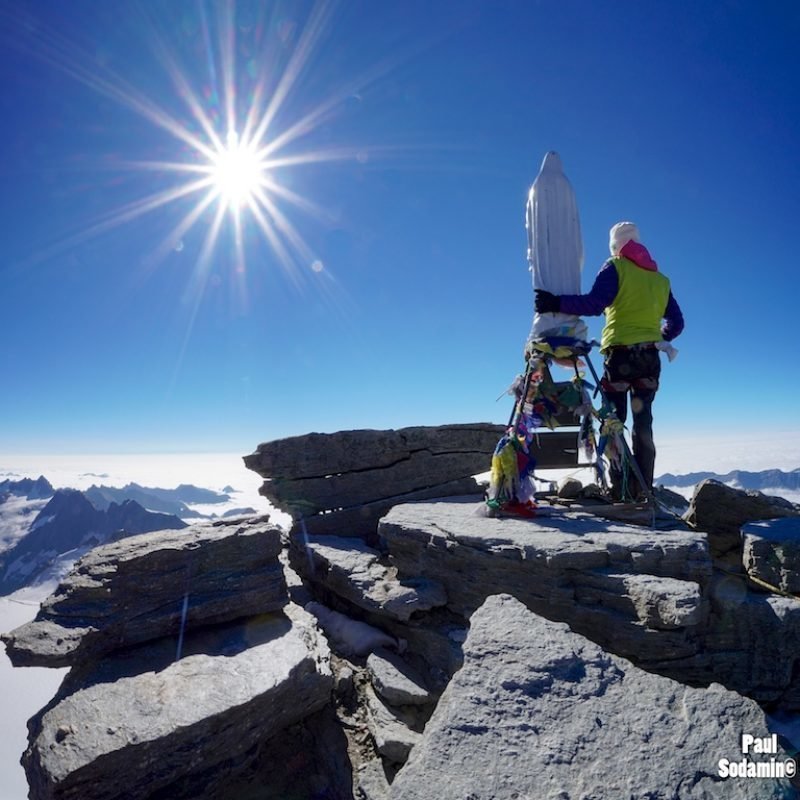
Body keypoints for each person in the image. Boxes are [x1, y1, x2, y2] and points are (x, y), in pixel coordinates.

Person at [534, 221, 684, 500]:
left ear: (616, 245)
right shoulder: (661, 280)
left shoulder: (616, 267)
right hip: (650, 359)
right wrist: (657, 335)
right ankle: (643, 490)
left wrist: (554, 303)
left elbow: (594, 304)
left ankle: (621, 489)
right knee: (644, 424)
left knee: (613, 422)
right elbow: (676, 323)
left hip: (620, 358)